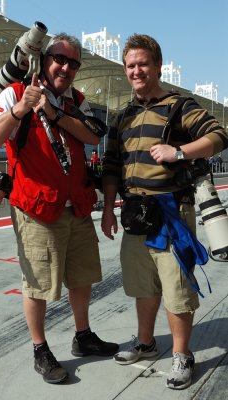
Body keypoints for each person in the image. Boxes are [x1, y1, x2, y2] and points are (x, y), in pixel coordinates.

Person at [0, 32, 118, 384]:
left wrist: (54, 113)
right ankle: (40, 348)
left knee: (83, 277)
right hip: (37, 208)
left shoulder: (76, 99)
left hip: (78, 204)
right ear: (43, 59)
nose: (65, 67)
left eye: (73, 63)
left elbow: (91, 135)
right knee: (38, 284)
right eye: (59, 59)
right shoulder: (15, 92)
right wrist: (21, 108)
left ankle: (83, 335)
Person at [101, 33, 228, 390]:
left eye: (143, 64)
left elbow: (219, 134)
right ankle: (145, 342)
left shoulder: (179, 106)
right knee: (144, 286)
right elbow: (111, 165)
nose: (136, 71)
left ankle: (182, 355)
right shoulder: (122, 116)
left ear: (157, 65)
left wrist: (181, 152)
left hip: (171, 214)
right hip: (134, 215)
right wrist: (109, 209)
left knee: (177, 289)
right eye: (130, 65)